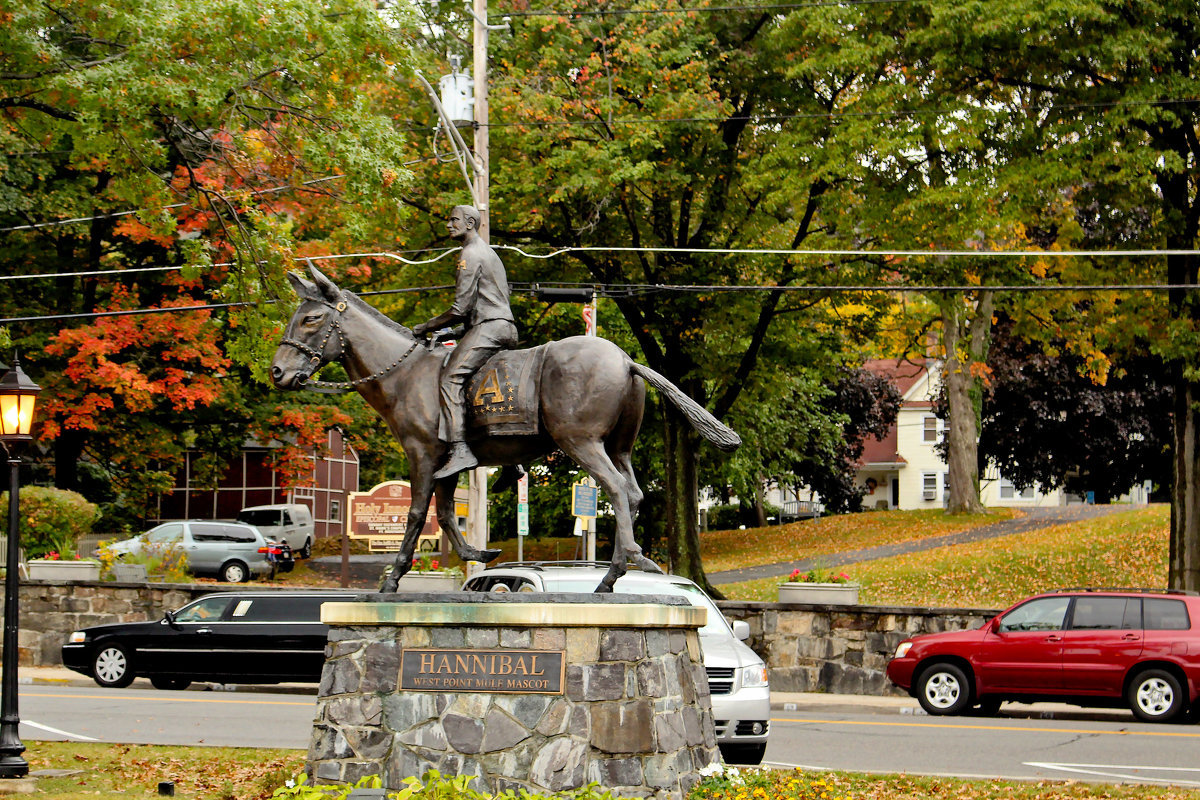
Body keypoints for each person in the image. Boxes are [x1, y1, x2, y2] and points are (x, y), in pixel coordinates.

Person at [413, 205, 518, 479]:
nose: (448, 225)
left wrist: (426, 326)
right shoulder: (490, 253)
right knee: (487, 387)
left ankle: (460, 449)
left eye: (453, 220)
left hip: (490, 328)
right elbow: (483, 307)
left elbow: (460, 308)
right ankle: (510, 458)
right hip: (500, 326)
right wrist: (449, 333)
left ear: (470, 223)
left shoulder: (469, 255)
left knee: (450, 379)